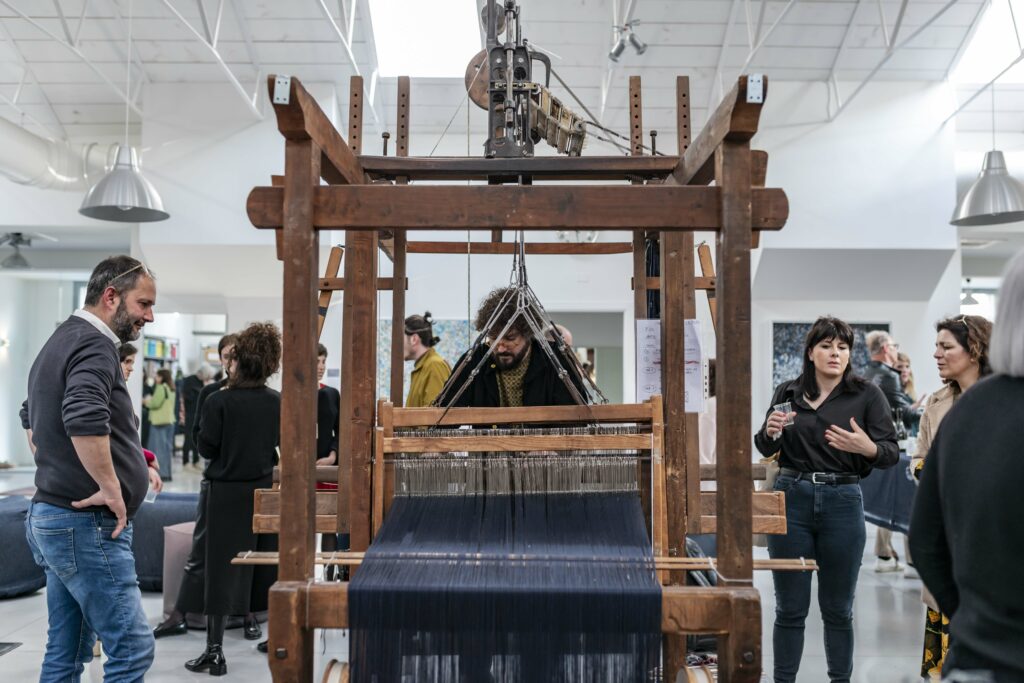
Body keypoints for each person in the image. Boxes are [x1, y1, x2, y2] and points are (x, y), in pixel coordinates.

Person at [20, 255, 157, 681]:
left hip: (56, 515)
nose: (149, 316)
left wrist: (58, 465)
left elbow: (30, 416)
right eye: (143, 304)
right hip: (85, 524)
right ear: (111, 296)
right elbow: (82, 416)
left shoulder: (62, 338)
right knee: (131, 649)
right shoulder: (95, 344)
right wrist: (111, 487)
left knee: (66, 651)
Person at [754, 316, 899, 683]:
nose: (835, 353)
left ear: (849, 354)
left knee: (838, 610)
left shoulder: (867, 394)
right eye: (826, 346)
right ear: (810, 352)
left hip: (843, 501)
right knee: (789, 609)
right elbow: (765, 446)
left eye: (842, 347)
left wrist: (867, 447)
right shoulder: (788, 392)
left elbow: (890, 452)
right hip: (791, 498)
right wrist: (769, 432)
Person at [910, 255, 1022, 682]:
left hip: (983, 651)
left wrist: (974, 618)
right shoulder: (955, 406)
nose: (937, 355)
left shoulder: (971, 408)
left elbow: (925, 540)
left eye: (946, 347)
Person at [184, 322, 281, 675]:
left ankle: (215, 650)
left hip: (225, 494)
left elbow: (206, 447)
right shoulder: (277, 401)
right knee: (262, 565)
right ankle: (273, 634)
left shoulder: (218, 400)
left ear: (238, 360)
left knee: (220, 571)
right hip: (264, 491)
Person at [153, 333, 258, 642]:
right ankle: (179, 614)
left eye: (235, 355)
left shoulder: (257, 394)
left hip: (248, 482)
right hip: (216, 480)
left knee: (249, 550)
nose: (230, 361)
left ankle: (248, 614)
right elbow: (199, 435)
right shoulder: (211, 392)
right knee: (201, 548)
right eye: (225, 356)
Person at [908, 314, 993, 681]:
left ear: (974, 350)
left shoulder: (1005, 400)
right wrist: (933, 474)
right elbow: (918, 458)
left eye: (946, 347)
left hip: (991, 536)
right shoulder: (937, 402)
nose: (936, 354)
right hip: (946, 532)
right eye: (936, 346)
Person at [435, 287, 586, 408]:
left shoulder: (556, 361)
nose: (500, 348)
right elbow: (444, 413)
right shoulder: (475, 360)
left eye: (510, 338)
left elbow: (577, 416)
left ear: (528, 334)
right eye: (493, 339)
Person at [863, 330, 919, 573]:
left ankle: (887, 555)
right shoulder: (888, 376)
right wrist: (923, 411)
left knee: (891, 498)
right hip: (891, 449)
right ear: (886, 348)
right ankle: (908, 560)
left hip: (876, 449)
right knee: (907, 499)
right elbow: (903, 412)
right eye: (894, 346)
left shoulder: (866, 373)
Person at [120, 343, 163, 494]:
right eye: (127, 362)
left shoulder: (121, 392)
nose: (131, 368)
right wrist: (146, 456)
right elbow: (116, 440)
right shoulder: (111, 395)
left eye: (132, 363)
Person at [403, 312, 452, 408]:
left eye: (401, 338)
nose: (396, 345)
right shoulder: (424, 366)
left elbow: (434, 414)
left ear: (414, 339)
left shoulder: (434, 365)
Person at [179, 364, 214, 468]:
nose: (207, 379)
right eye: (207, 377)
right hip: (190, 414)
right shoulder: (189, 380)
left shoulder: (200, 382)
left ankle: (196, 460)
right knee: (188, 437)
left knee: (197, 437)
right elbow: (188, 397)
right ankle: (185, 461)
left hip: (198, 414)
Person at [145, 368, 176, 482]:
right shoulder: (171, 388)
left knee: (157, 450)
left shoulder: (160, 387)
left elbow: (155, 403)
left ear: (162, 377)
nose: (155, 378)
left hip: (158, 422)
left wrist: (145, 401)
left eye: (157, 376)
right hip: (169, 421)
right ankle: (166, 474)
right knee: (166, 450)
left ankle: (159, 474)